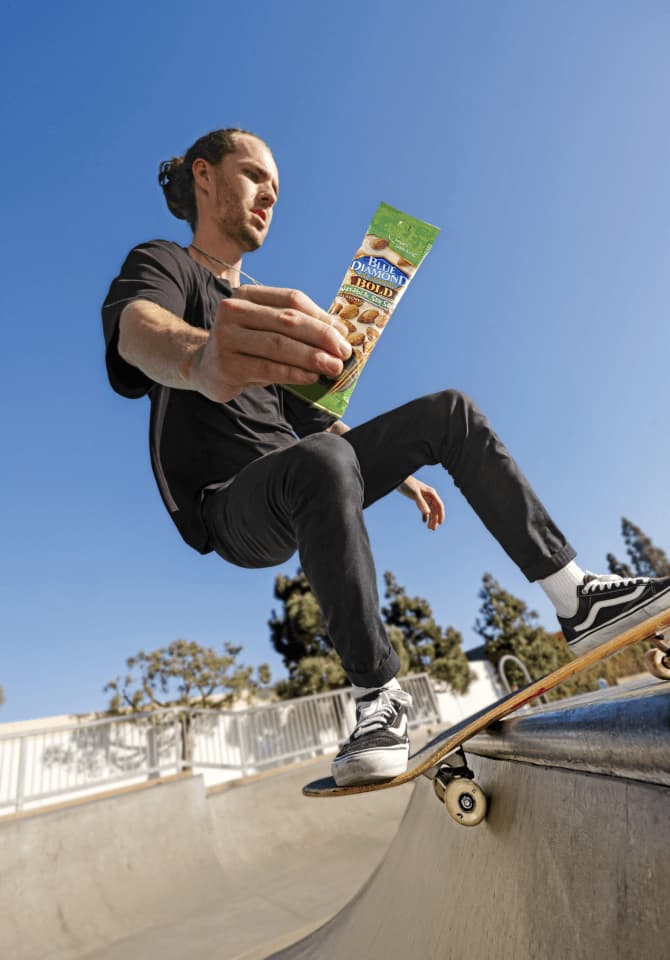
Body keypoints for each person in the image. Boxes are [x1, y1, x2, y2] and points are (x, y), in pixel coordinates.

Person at [102, 127, 670, 787]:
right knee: (318, 459)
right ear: (204, 176)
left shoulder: (261, 313)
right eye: (254, 176)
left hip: (310, 473)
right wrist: (198, 360)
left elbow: (317, 421)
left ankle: (577, 600)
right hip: (230, 507)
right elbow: (138, 329)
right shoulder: (168, 262)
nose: (268, 199)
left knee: (447, 413)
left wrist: (400, 478)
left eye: (278, 192)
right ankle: (379, 699)